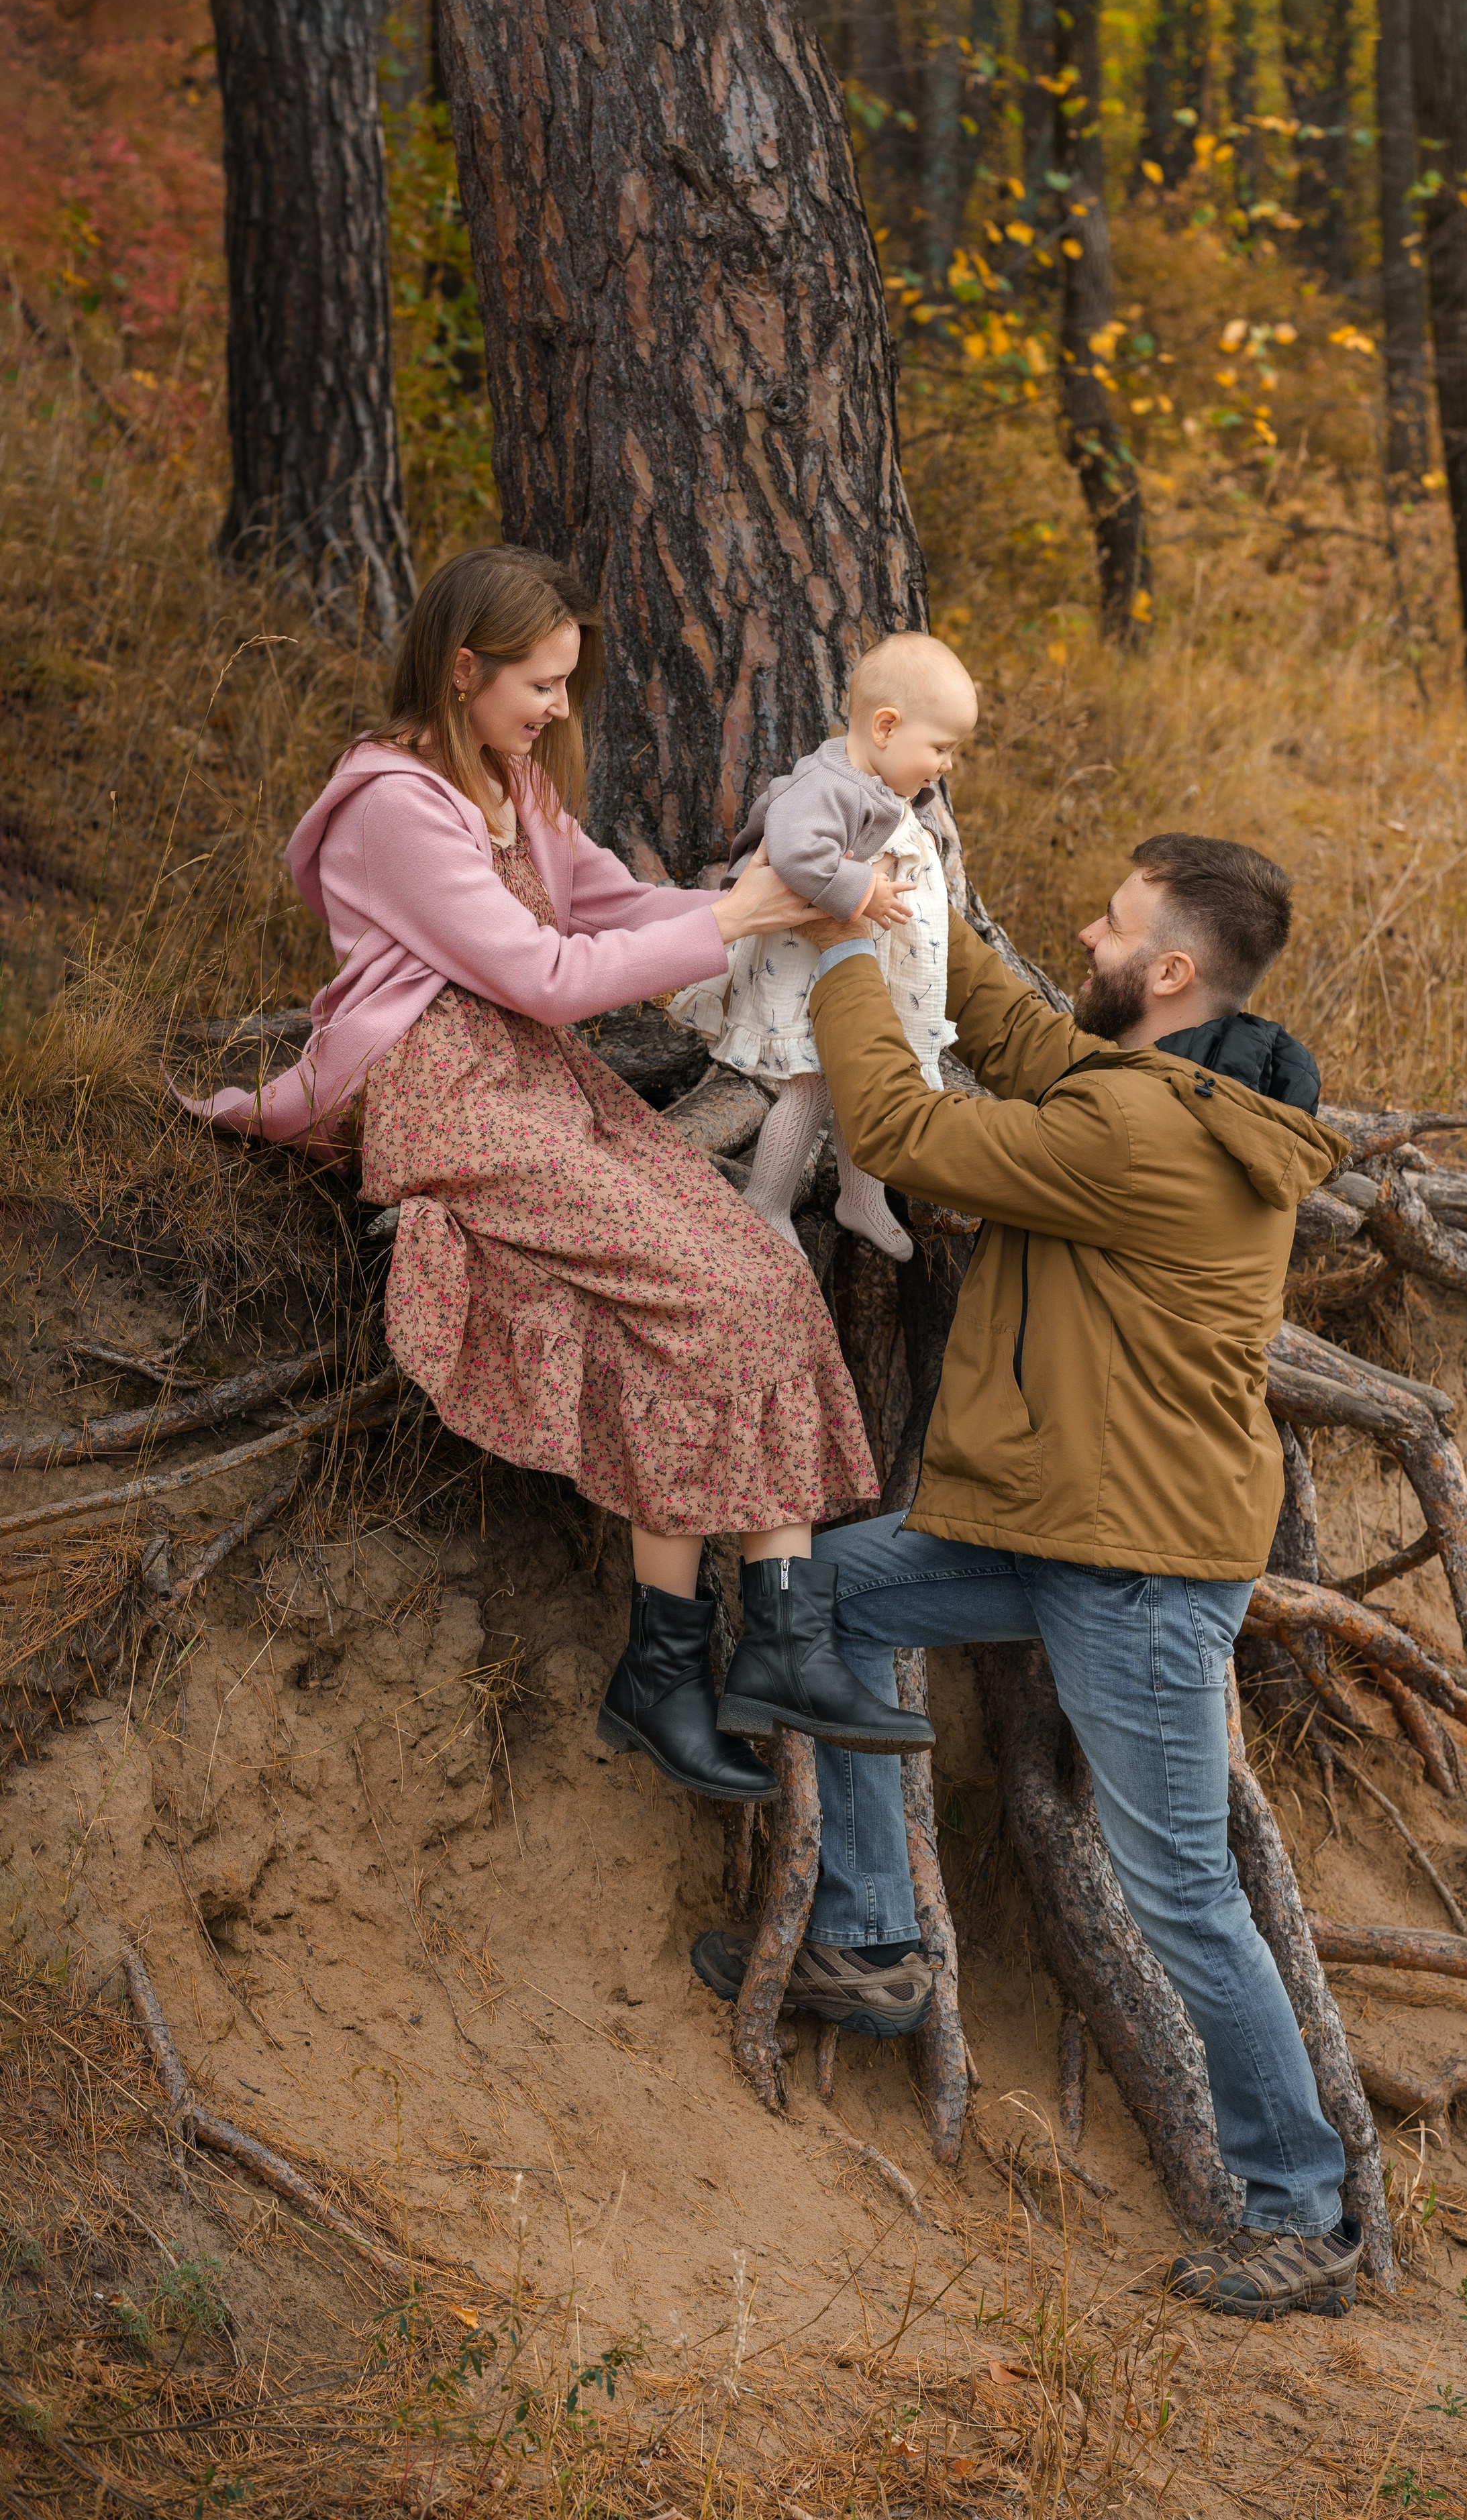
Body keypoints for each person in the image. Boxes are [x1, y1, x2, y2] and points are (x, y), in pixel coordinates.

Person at [693, 834, 1366, 2319]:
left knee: (1180, 1891)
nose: (1082, 927)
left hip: (1130, 1568)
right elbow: (1016, 1034)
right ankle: (870, 1937)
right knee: (833, 1596)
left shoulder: (1144, 1136)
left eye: (1110, 922)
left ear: (1169, 972)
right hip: (1067, 1525)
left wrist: (848, 955)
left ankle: (1301, 2212)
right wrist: (909, 886)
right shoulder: (1163, 1088)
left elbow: (898, 1124)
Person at [181, 544, 933, 1824]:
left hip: (537, 1083)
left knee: (758, 1274)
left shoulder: (508, 777)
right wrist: (744, 919)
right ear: (461, 668)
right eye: (539, 683)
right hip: (450, 1092)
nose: (557, 710)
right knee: (704, 1291)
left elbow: (604, 900)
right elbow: (542, 974)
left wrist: (758, 901)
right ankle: (695, 1664)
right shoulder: (394, 804)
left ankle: (749, 1653)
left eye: (565, 685)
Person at [673, 633, 976, 1263]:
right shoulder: (828, 783)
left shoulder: (876, 778)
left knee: (862, 1079)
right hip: (808, 960)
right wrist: (861, 886)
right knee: (810, 1083)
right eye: (941, 748)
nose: (945, 765)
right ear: (886, 727)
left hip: (860, 963)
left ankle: (860, 1198)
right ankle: (767, 1200)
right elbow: (795, 852)